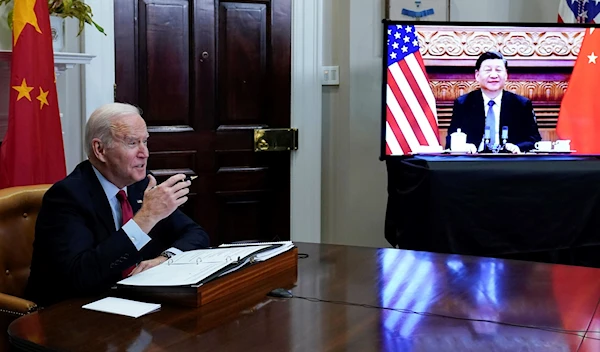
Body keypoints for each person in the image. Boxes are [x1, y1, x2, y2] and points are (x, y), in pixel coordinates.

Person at [25, 103, 210, 306]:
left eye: (145, 142)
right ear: (100, 149)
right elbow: (80, 277)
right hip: (72, 313)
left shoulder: (141, 184)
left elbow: (196, 234)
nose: (145, 153)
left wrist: (165, 258)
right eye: (132, 143)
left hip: (133, 305)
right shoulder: (67, 196)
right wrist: (146, 218)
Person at [445, 51, 541, 153]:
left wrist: (517, 147)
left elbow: (534, 140)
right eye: (488, 70)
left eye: (499, 70)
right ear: (477, 75)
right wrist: (464, 146)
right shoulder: (463, 103)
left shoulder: (521, 104)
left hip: (510, 162)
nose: (494, 75)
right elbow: (451, 139)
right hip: (473, 162)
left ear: (506, 75)